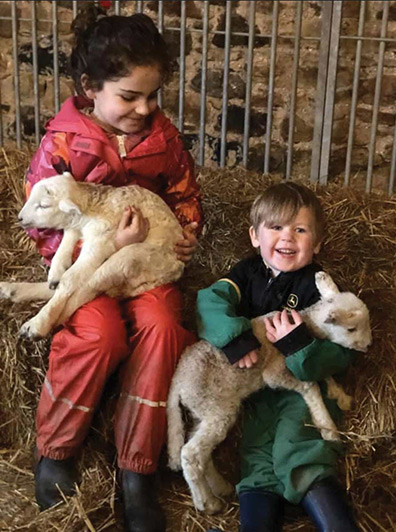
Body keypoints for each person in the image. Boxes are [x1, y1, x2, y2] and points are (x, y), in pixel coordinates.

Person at [25, 7, 203, 532]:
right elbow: (43, 218)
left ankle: (137, 470)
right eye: (130, 96)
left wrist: (187, 231)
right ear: (90, 86)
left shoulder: (164, 140)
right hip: (88, 270)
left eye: (152, 96)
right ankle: (57, 450)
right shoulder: (61, 143)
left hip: (148, 267)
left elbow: (184, 195)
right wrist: (88, 250)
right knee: (96, 335)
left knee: (166, 329)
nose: (144, 108)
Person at [199, 182, 359, 532]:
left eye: (300, 230)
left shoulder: (319, 286)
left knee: (300, 447)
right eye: (276, 227)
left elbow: (341, 353)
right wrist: (235, 340)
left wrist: (299, 346)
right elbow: (209, 302)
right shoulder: (245, 275)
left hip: (301, 389)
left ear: (315, 244)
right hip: (257, 391)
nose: (287, 237)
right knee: (256, 462)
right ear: (255, 236)